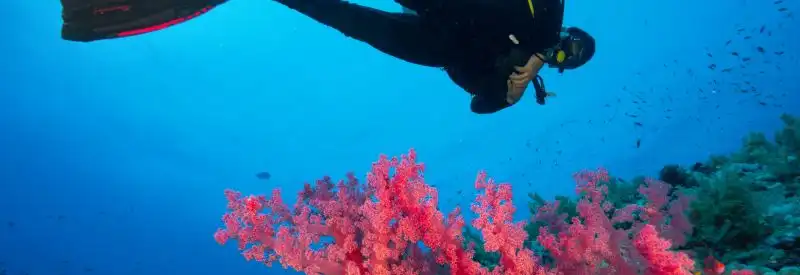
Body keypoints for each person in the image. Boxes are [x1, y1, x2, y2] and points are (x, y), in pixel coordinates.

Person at [59, 0, 595, 114]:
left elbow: (476, 101)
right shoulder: (543, 16)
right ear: (567, 30)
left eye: (569, 60)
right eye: (571, 44)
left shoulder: (522, 79)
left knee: (345, 20)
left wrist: (509, 90)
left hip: (436, 46)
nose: (561, 54)